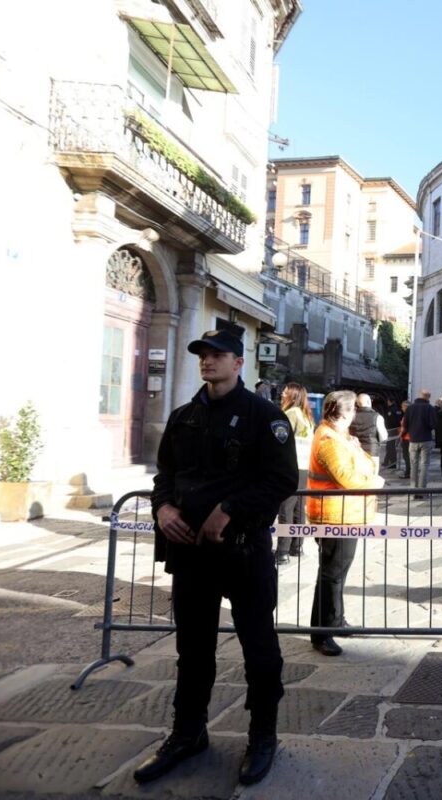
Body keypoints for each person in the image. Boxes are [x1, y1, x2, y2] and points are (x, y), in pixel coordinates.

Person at [137, 328, 297, 786]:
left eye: (218, 354)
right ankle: (188, 734)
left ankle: (263, 737)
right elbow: (165, 475)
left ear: (239, 363)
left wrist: (228, 510)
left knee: (260, 651)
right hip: (192, 554)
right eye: (203, 355)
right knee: (193, 651)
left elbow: (280, 480)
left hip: (244, 553)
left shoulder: (265, 417)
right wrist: (164, 507)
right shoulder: (184, 417)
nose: (208, 361)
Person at [305, 391, 383, 657]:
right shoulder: (330, 440)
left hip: (344, 514)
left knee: (336, 573)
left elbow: (361, 464)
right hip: (334, 515)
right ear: (347, 413)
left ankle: (335, 620)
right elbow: (348, 478)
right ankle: (321, 633)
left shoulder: (340, 436)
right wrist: (374, 482)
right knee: (331, 574)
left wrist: (368, 473)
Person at [275, 382, 314, 565]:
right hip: (304, 467)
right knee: (299, 507)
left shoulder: (290, 414)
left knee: (286, 508)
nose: (282, 394)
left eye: (285, 392)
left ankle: (282, 551)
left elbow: (280, 440)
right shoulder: (306, 416)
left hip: (291, 467)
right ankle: (296, 546)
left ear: (293, 395)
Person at [403, 390, 437, 494]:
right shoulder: (430, 408)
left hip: (413, 440)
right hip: (426, 439)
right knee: (424, 465)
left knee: (414, 465)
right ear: (428, 397)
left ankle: (413, 489)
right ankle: (422, 490)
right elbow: (433, 424)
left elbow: (405, 423)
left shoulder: (410, 408)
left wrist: (408, 432)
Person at [349, 393, 387, 461]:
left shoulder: (351, 416)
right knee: (371, 471)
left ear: (357, 403)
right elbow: (383, 437)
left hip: (355, 451)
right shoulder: (377, 417)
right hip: (372, 452)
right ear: (369, 402)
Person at [383, 399, 403, 473]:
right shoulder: (398, 409)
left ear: (390, 401)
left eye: (388, 401)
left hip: (391, 430)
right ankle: (387, 461)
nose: (387, 403)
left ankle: (392, 463)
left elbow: (389, 421)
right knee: (391, 446)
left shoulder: (390, 410)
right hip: (397, 430)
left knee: (390, 446)